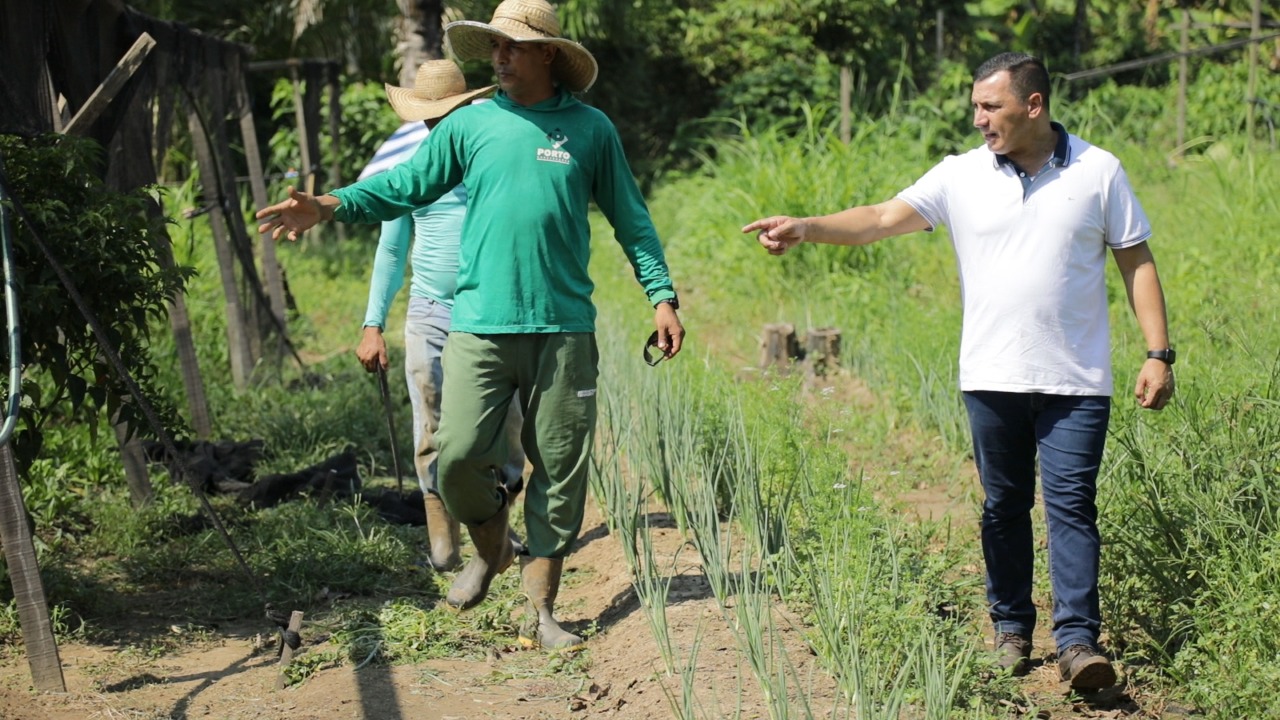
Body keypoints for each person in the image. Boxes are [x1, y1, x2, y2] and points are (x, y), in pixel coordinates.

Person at [257, 0, 684, 651]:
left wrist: (662, 296)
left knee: (561, 473)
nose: (498, 58)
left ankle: (541, 611)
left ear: (547, 55)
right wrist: (330, 204)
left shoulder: (590, 130)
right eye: (494, 47)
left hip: (564, 332)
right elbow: (405, 185)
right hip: (478, 328)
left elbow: (632, 217)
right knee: (455, 457)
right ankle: (489, 550)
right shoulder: (472, 125)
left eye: (512, 47)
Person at [743, 52, 1174, 691]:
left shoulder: (1098, 170)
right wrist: (808, 227)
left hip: (1076, 380)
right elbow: (884, 219)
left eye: (990, 107)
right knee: (1003, 505)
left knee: (1072, 507)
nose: (978, 119)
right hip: (992, 375)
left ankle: (1078, 642)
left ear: (1033, 105)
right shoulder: (960, 175)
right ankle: (1011, 631)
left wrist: (1157, 352)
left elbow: (1135, 261)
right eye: (975, 106)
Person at [354, 59, 527, 573]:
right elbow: (390, 251)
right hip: (429, 311)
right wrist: (372, 323)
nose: (437, 125)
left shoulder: (491, 161)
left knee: (503, 427)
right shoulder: (410, 170)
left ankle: (496, 533)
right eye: (428, 117)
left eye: (444, 114)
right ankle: (442, 538)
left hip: (491, 314)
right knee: (430, 423)